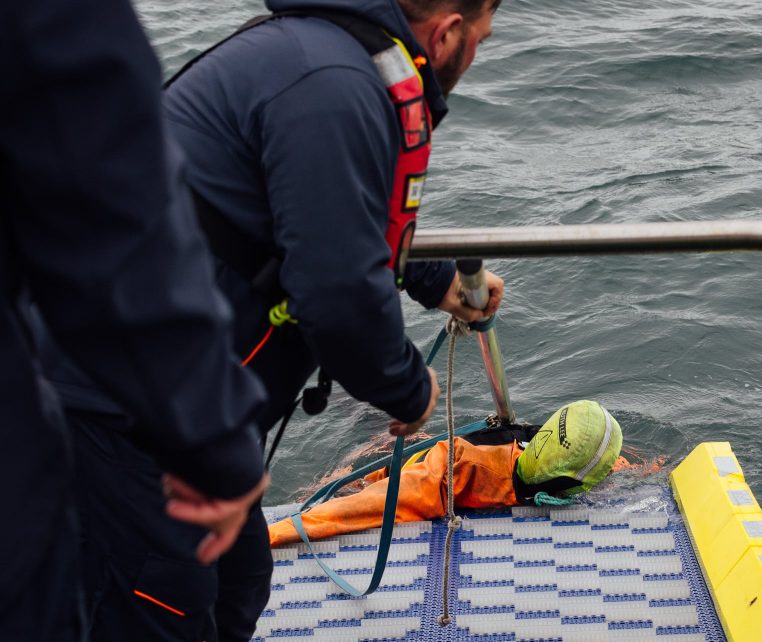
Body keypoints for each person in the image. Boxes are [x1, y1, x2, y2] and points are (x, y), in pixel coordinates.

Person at [28, 0, 506, 639]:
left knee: (238, 584)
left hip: (184, 407)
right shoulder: (331, 85)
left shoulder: (334, 61)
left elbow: (330, 218)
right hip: (113, 406)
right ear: (448, 35)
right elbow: (335, 293)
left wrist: (436, 276)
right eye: (481, 39)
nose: (476, 56)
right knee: (163, 603)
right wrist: (407, 390)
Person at [1, 0, 272, 640]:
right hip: (102, 414)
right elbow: (114, 236)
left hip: (107, 397)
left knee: (235, 578)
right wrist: (214, 445)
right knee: (162, 597)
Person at [269, 401, 624, 546]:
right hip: (404, 462)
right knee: (336, 480)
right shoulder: (458, 469)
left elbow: (621, 466)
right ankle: (361, 405)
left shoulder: (541, 448)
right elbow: (364, 506)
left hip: (452, 445)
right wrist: (272, 533)